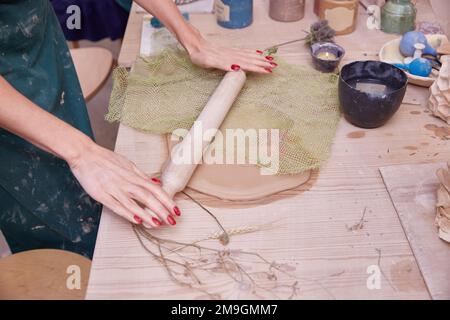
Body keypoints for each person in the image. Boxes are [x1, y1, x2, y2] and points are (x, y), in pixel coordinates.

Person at [0, 0, 277, 258]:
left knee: (91, 193)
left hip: (38, 41)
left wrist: (192, 40)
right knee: (55, 231)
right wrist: (81, 153)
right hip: (7, 95)